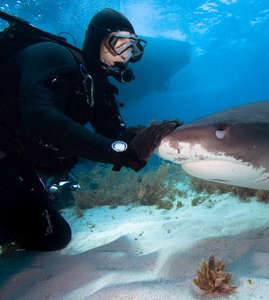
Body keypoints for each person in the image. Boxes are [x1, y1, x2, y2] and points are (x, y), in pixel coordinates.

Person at [0, 8, 181, 252]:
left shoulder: (98, 89)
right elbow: (39, 118)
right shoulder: (51, 56)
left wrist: (146, 136)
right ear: (97, 39)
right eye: (119, 44)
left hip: (18, 162)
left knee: (52, 236)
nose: (126, 55)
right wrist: (115, 151)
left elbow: (114, 137)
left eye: (133, 47)